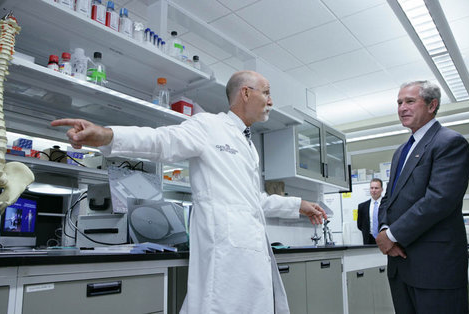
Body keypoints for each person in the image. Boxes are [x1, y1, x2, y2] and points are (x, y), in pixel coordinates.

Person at [51, 70, 327, 314]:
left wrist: (298, 205)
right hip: (226, 253)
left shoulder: (249, 146)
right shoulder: (209, 126)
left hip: (249, 254)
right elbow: (163, 141)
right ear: (245, 93)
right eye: (266, 93)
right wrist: (108, 135)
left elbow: (252, 201)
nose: (270, 101)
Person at [375, 80, 469, 314]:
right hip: (401, 264)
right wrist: (384, 229)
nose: (402, 108)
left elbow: (439, 199)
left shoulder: (450, 142)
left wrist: (393, 235)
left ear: (432, 105)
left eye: (410, 101)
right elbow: (389, 198)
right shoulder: (401, 151)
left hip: (435, 267)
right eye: (399, 102)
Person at [357, 178, 383, 245]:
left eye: (376, 188)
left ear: (381, 189)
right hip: (369, 239)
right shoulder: (362, 206)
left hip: (384, 238)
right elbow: (360, 225)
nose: (373, 190)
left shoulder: (387, 204)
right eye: (372, 188)